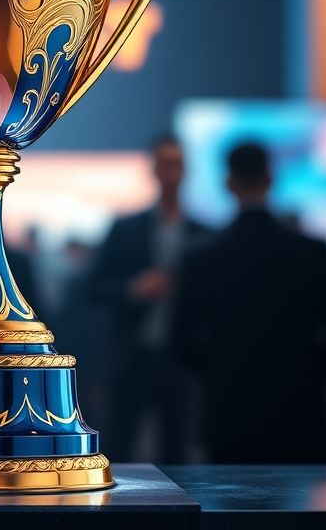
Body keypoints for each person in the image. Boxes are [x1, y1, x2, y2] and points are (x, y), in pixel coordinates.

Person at [170, 140, 326, 463]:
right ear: (270, 179)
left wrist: (221, 372)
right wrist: (307, 372)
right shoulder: (311, 253)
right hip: (300, 409)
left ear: (228, 184)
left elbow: (181, 340)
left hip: (229, 410)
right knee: (301, 509)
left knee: (232, 510)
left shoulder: (202, 257)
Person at [90, 132, 210, 462]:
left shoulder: (204, 233)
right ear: (154, 169)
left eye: (178, 164)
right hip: (133, 357)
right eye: (165, 164)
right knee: (121, 453)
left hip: (182, 360)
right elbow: (94, 287)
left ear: (186, 170)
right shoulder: (126, 228)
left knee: (179, 456)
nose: (172, 172)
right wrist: (134, 288)